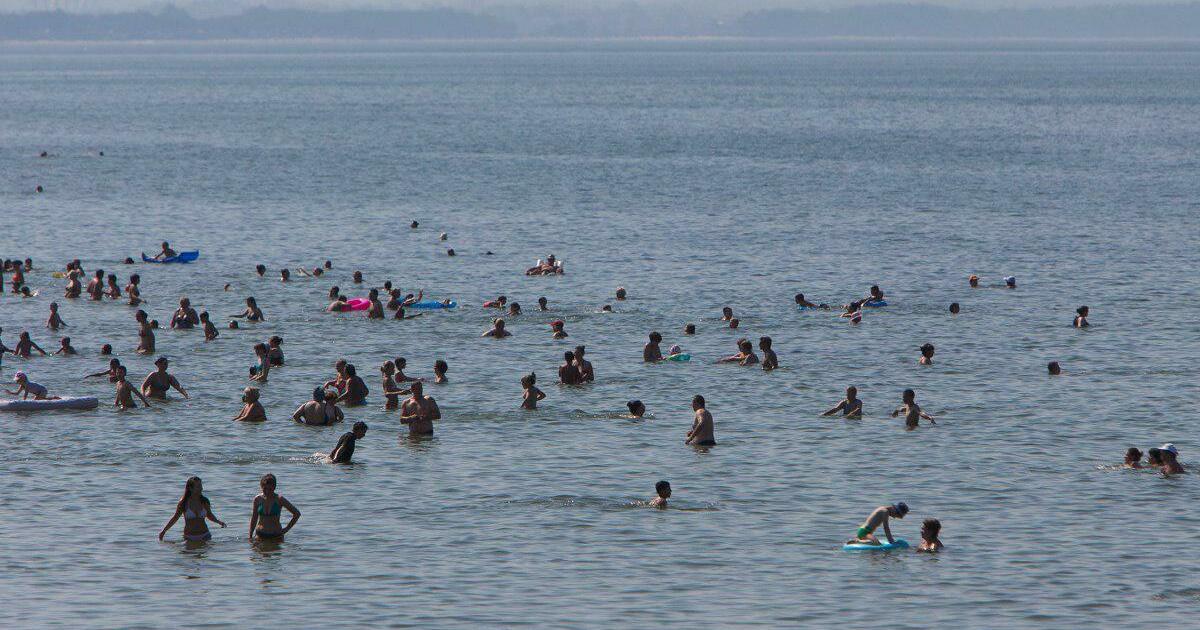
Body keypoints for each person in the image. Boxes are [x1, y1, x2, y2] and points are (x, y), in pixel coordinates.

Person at [159, 476, 226, 542]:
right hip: (189, 537)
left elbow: (209, 515)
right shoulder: (184, 502)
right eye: (198, 486)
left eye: (201, 486)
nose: (201, 488)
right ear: (190, 488)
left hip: (205, 535)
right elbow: (175, 518)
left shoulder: (204, 501)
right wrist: (164, 531)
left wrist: (219, 522)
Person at [249, 474, 299, 541]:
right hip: (260, 535)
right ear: (261, 487)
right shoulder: (257, 499)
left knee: (275, 551)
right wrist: (250, 536)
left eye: (270, 489)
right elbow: (254, 518)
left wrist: (286, 529)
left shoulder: (279, 499)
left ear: (274, 487)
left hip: (276, 536)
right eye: (265, 489)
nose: (267, 491)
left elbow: (297, 514)